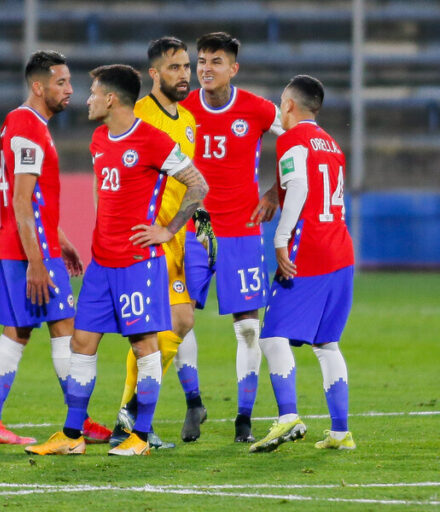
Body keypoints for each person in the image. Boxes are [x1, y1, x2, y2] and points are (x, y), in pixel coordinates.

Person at [25, 64, 208, 457]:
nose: (87, 99)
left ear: (110, 98)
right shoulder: (98, 139)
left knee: (144, 345)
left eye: (93, 92)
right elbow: (103, 193)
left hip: (138, 264)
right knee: (81, 342)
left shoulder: (153, 140)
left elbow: (198, 184)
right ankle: (72, 436)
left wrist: (168, 230)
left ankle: (139, 437)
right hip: (102, 264)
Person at [0, 51, 110, 445]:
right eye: (61, 83)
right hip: (28, 251)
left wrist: (59, 239)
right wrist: (37, 260)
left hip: (31, 245)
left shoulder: (24, 123)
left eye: (69, 82)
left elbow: (34, 201)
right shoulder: (28, 126)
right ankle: (71, 420)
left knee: (27, 330)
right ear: (38, 87)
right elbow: (21, 200)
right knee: (56, 329)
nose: (70, 90)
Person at [109, 36, 215, 449]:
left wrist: (197, 222)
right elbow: (113, 170)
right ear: (154, 73)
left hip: (173, 235)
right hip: (145, 235)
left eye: (187, 67)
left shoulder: (188, 120)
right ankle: (130, 417)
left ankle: (129, 417)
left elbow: (186, 182)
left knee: (177, 322)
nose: (185, 74)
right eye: (175, 68)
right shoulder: (136, 114)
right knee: (161, 326)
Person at [181, 32, 284, 442]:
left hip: (242, 228)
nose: (206, 69)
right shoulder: (184, 108)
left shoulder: (257, 109)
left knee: (247, 328)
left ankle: (244, 418)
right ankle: (194, 403)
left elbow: (297, 137)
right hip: (198, 227)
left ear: (233, 69)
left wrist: (276, 190)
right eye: (201, 61)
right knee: (180, 318)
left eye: (216, 61)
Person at [249, 75, 355, 452]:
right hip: (341, 250)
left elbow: (299, 187)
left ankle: (288, 417)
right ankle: (340, 432)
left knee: (271, 335)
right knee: (327, 343)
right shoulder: (333, 144)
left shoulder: (292, 139)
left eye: (282, 102)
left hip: (309, 249)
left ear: (290, 105)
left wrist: (280, 239)